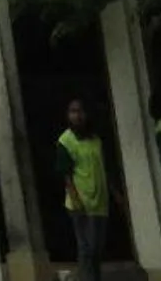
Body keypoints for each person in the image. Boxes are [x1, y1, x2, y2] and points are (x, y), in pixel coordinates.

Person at [56, 97, 111, 280]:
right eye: (73, 112)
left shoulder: (95, 139)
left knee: (97, 249)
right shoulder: (65, 141)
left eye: (80, 111)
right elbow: (66, 174)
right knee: (87, 249)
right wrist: (75, 199)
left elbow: (102, 167)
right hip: (81, 203)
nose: (77, 116)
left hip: (99, 202)